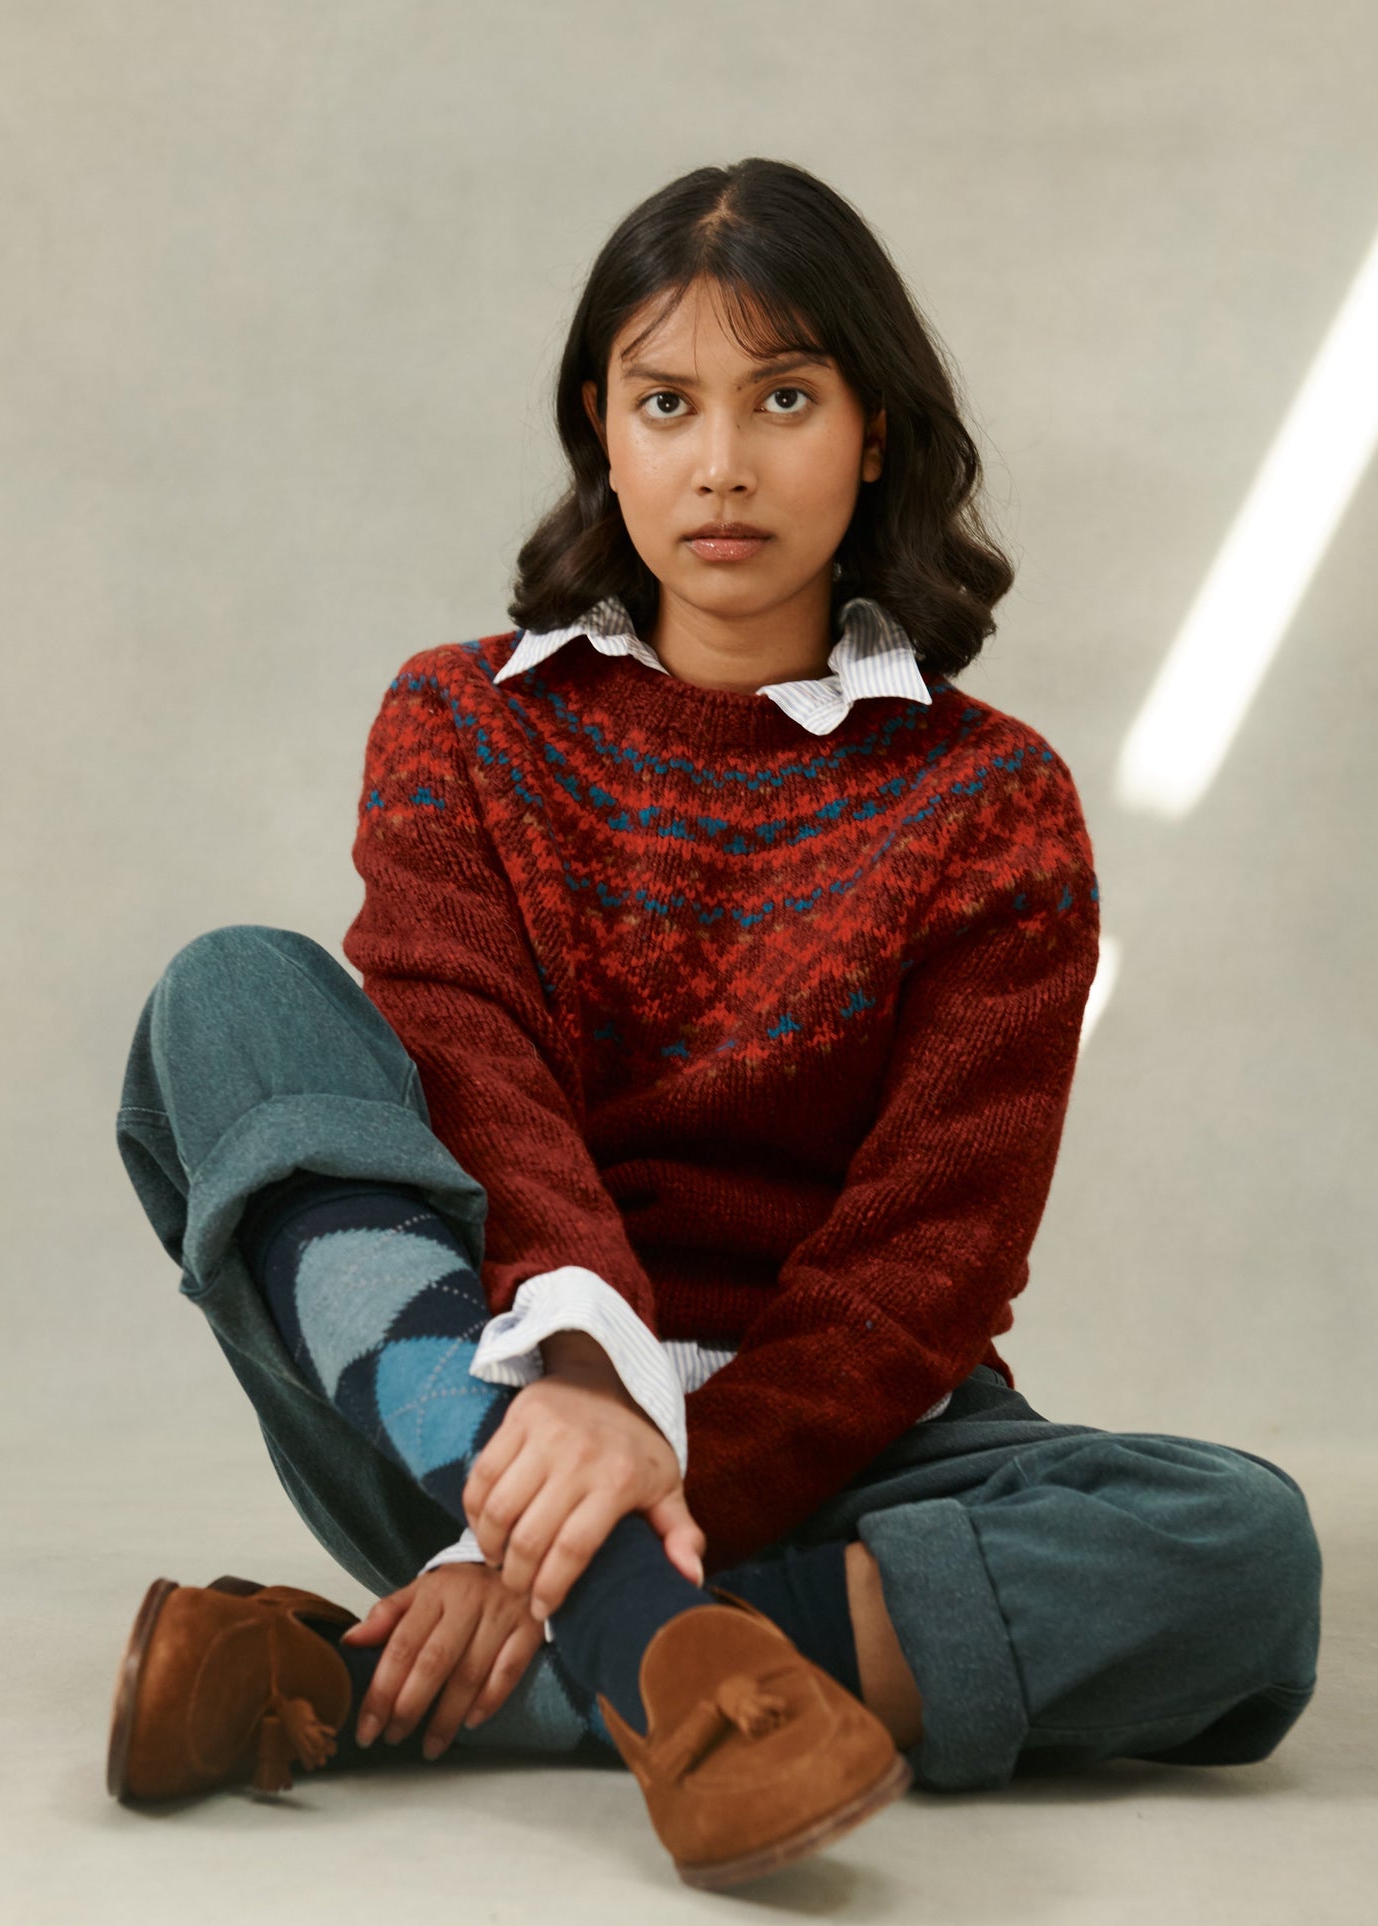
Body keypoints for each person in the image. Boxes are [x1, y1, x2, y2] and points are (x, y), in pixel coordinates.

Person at [107, 158, 1322, 1889]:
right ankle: (647, 1649)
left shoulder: (989, 799)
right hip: (470, 1409)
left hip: (846, 1447)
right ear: (598, 430)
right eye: (664, 401)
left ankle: (388, 1672)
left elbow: (931, 1260)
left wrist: (666, 1481)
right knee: (228, 988)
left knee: (1244, 1558)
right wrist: (587, 1391)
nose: (722, 462)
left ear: (875, 432)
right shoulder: (458, 722)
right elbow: (475, 1081)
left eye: (785, 397)